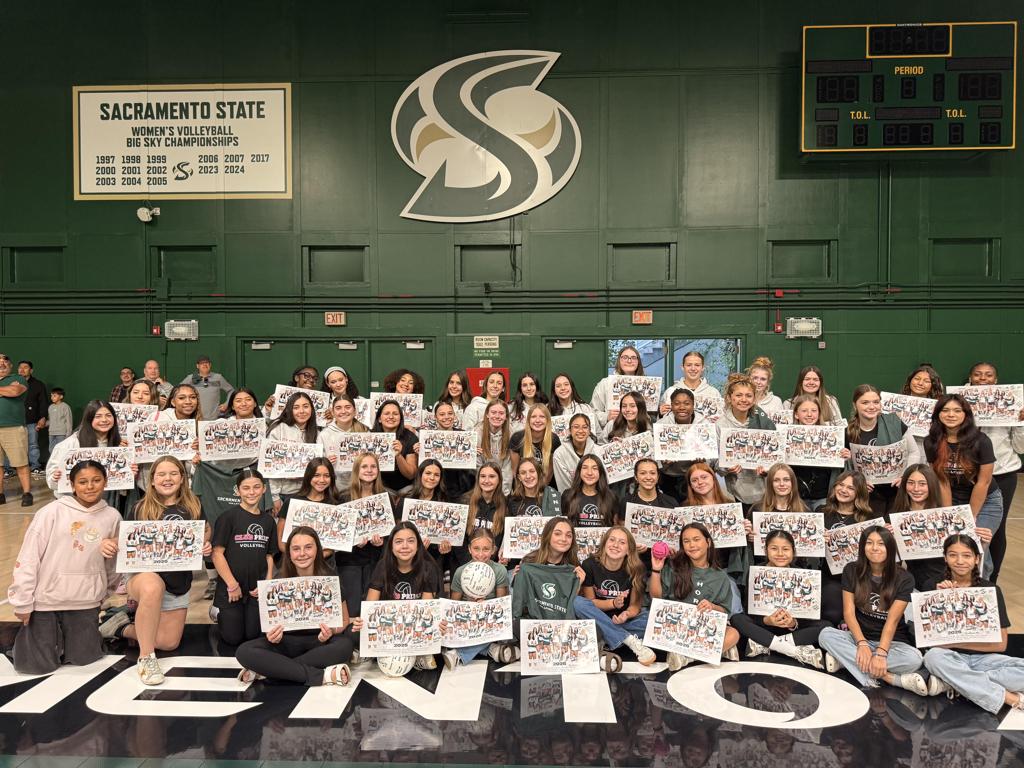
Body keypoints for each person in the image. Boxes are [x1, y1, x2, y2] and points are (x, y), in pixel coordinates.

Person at [98, 455, 212, 686]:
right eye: (161, 474)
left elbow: (206, 530)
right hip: (144, 577)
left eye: (173, 473)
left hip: (177, 580)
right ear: (152, 480)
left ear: (182, 478)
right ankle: (146, 658)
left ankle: (119, 624)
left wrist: (204, 543)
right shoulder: (140, 507)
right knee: (153, 587)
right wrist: (109, 543)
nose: (167, 478)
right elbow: (125, 538)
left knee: (168, 643)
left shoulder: (194, 506)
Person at [8, 460, 121, 674]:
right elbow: (29, 557)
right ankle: (24, 645)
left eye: (96, 480)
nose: (90, 486)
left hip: (85, 601)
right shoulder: (50, 512)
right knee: (36, 666)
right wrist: (22, 600)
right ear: (72, 484)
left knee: (86, 660)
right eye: (83, 482)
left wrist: (104, 593)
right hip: (45, 602)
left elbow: (113, 564)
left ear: (105, 482)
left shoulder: (113, 516)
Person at [235, 526, 354, 686]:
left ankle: (274, 670)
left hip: (318, 642)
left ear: (317, 550)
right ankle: (320, 676)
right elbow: (269, 626)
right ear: (289, 553)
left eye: (308, 547)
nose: (302, 553)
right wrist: (272, 635)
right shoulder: (277, 581)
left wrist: (332, 631)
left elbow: (344, 621)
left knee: (345, 646)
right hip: (285, 643)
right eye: (296, 549)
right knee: (244, 652)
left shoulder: (330, 579)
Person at [817, 526, 927, 694]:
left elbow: (892, 621)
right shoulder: (851, 570)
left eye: (881, 544)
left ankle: (847, 662)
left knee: (914, 659)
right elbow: (848, 613)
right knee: (825, 635)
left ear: (890, 548)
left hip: (891, 642)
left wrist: (881, 653)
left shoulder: (904, 578)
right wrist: (861, 644)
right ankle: (888, 677)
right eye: (869, 543)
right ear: (863, 547)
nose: (875, 548)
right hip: (858, 637)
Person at [923, 534, 1024, 711]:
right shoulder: (932, 586)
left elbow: (1001, 645)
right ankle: (1007, 697)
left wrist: (953, 643)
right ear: (945, 558)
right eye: (953, 555)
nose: (960, 561)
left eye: (967, 555)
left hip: (984, 660)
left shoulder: (990, 590)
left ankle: (955, 683)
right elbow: (929, 641)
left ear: (977, 559)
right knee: (933, 657)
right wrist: (938, 597)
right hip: (949, 658)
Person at [924, 393, 1001, 578]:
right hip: (954, 499)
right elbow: (942, 481)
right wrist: (950, 515)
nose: (951, 415)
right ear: (938, 414)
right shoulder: (931, 441)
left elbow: (983, 482)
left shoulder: (981, 441)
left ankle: (983, 586)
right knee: (958, 545)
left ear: (965, 414)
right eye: (945, 410)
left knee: (976, 547)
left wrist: (970, 517)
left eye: (957, 410)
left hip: (986, 501)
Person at [649, 522, 741, 670]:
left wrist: (712, 606)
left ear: (708, 542)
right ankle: (710, 653)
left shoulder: (720, 576)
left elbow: (724, 610)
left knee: (733, 634)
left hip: (702, 628)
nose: (692, 545)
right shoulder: (673, 567)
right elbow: (656, 597)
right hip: (676, 626)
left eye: (696, 539)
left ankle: (687, 656)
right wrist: (656, 569)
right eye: (686, 541)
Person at [732, 530, 829, 667]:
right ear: (766, 550)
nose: (780, 554)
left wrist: (793, 623)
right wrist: (767, 620)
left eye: (785, 549)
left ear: (793, 551)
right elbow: (749, 609)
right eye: (774, 548)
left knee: (826, 626)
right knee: (737, 619)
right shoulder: (756, 572)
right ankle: (793, 650)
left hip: (790, 629)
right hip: (764, 627)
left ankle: (766, 645)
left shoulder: (803, 574)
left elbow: (808, 613)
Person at [353, 521, 441, 671]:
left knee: (441, 632)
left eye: (410, 541)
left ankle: (416, 655)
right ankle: (410, 654)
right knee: (352, 632)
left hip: (414, 625)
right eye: (399, 542)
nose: (405, 546)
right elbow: (370, 606)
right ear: (391, 547)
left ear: (418, 545)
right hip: (387, 626)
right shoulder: (383, 566)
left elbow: (426, 611)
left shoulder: (428, 568)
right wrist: (362, 622)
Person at [966, 361, 1024, 584]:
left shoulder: (1011, 403)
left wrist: (1020, 423)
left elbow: (1020, 448)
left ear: (996, 380)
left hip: (1002, 474)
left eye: (988, 375)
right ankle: (965, 577)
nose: (983, 378)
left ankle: (991, 581)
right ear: (970, 378)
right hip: (967, 476)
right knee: (966, 525)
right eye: (978, 374)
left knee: (995, 531)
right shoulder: (959, 403)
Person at [572, 526, 656, 669]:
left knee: (652, 619)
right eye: (612, 540)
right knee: (577, 603)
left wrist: (626, 614)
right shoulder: (589, 564)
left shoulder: (636, 568)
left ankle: (605, 638)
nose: (616, 545)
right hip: (597, 618)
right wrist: (613, 603)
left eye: (622, 542)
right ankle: (629, 640)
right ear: (604, 543)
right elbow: (590, 602)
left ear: (629, 550)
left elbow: (635, 606)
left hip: (622, 621)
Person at [211, 469, 278, 645]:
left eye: (256, 487)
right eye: (246, 488)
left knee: (253, 636)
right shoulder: (228, 517)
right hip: (231, 589)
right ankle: (218, 611)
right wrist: (232, 585)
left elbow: (269, 555)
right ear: (237, 490)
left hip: (255, 589)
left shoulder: (268, 521)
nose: (252, 492)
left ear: (264, 489)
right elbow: (217, 554)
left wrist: (266, 584)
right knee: (233, 638)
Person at [440, 528, 510, 669]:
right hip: (467, 621)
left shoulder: (499, 570)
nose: (480, 554)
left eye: (486, 549)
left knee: (504, 624)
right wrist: (471, 606)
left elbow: (502, 607)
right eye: (476, 548)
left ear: (493, 550)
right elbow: (453, 606)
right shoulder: (460, 571)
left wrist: (486, 606)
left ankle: (459, 654)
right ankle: (490, 649)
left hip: (489, 621)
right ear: (469, 549)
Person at [845, 384, 920, 516]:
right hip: (867, 495)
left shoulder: (894, 422)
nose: (871, 406)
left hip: (897, 491)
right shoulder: (848, 432)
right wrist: (857, 481)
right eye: (865, 402)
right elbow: (848, 468)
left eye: (876, 402)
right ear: (855, 405)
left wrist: (905, 476)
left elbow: (914, 452)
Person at [337, 452, 395, 617]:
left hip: (376, 561)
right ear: (357, 470)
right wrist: (353, 541)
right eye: (364, 466)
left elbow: (391, 533)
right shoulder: (343, 497)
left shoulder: (386, 498)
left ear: (378, 470)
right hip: (350, 561)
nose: (369, 470)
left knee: (372, 611)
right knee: (353, 610)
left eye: (373, 466)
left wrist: (382, 542)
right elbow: (338, 535)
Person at [819, 470, 877, 626]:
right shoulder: (821, 512)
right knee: (831, 604)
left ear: (859, 492)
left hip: (859, 577)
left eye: (851, 488)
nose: (844, 490)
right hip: (830, 576)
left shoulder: (868, 518)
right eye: (841, 485)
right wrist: (817, 539)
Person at [717, 373, 776, 509]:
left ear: (754, 399)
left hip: (764, 491)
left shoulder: (764, 422)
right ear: (729, 398)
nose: (743, 400)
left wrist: (768, 468)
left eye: (748, 396)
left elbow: (775, 454)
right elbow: (715, 461)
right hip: (735, 491)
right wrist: (726, 467)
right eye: (738, 395)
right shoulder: (721, 425)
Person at [46, 400, 128, 496]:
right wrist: (55, 478)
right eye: (98, 416)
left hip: (106, 501)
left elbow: (121, 484)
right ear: (89, 419)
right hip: (74, 501)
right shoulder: (70, 444)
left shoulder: (119, 444)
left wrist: (128, 472)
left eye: (108, 415)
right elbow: (52, 481)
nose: (104, 420)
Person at [265, 392, 320, 512]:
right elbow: (270, 465)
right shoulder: (278, 428)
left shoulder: (317, 432)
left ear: (311, 409)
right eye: (296, 407)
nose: (302, 411)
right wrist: (274, 496)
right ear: (290, 409)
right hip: (282, 494)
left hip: (308, 493)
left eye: (306, 406)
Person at [790, 394, 847, 509]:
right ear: (796, 414)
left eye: (814, 410)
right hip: (796, 496)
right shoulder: (787, 436)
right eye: (804, 411)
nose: (809, 414)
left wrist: (844, 457)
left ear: (819, 413)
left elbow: (839, 469)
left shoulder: (833, 436)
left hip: (823, 496)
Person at [276, 459, 342, 550]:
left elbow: (334, 545)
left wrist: (316, 556)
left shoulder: (335, 505)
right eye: (316, 475)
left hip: (324, 558)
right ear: (308, 476)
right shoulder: (292, 501)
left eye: (326, 476)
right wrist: (294, 555)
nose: (322, 480)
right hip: (293, 557)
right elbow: (280, 539)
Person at [655, 387, 705, 503]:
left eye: (687, 403)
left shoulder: (704, 425)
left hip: (695, 475)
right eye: (677, 403)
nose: (682, 407)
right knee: (671, 507)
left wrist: (703, 460)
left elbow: (713, 456)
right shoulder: (661, 425)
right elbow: (654, 458)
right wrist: (662, 462)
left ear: (693, 406)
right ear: (671, 406)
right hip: (668, 476)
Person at [459, 462, 508, 568]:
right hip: (464, 564)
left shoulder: (505, 505)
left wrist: (487, 564)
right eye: (483, 476)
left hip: (491, 565)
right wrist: (471, 564)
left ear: (499, 480)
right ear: (478, 479)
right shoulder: (464, 501)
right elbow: (459, 540)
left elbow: (499, 541)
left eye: (492, 476)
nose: (486, 480)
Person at [317, 393, 368, 491]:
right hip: (334, 488)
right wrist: (326, 462)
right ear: (332, 412)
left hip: (361, 487)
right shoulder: (324, 435)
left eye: (348, 407)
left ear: (354, 411)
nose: (343, 411)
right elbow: (318, 465)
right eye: (338, 408)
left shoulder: (365, 432)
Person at [0, 354, 33, 506]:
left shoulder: (18, 378)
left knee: (21, 462)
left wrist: (9, 389)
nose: (2, 363)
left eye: (5, 361)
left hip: (13, 427)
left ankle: (27, 493)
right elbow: (8, 391)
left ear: (10, 365)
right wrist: (4, 390)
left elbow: (14, 391)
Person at [591, 345, 646, 428]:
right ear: (619, 360)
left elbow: (653, 413)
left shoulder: (647, 384)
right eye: (625, 357)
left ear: (638, 362)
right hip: (614, 429)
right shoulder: (605, 383)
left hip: (641, 430)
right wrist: (606, 417)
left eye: (633, 358)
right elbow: (593, 411)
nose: (629, 361)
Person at [371, 399, 418, 492]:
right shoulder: (370, 437)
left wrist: (398, 455)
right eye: (386, 413)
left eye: (395, 414)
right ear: (379, 419)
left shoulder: (410, 437)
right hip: (378, 486)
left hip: (405, 487)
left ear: (400, 418)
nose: (391, 417)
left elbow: (411, 475)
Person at [510, 404, 560, 487]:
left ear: (547, 420)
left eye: (542, 417)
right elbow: (515, 471)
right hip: (523, 486)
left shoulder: (554, 439)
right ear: (528, 420)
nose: (537, 420)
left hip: (545, 486)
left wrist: (539, 490)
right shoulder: (517, 438)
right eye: (533, 417)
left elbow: (549, 473)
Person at [660, 350, 723, 417]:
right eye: (689, 365)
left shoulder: (713, 393)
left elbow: (721, 419)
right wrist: (660, 413)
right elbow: (662, 420)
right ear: (682, 367)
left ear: (703, 368)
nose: (693, 368)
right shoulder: (670, 392)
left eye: (697, 365)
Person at [562, 454, 618, 527]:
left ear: (600, 472)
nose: (589, 473)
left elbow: (615, 526)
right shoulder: (568, 495)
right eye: (585, 468)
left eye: (594, 468)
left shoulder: (611, 496)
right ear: (579, 471)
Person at [553, 413, 598, 493]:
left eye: (585, 427)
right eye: (576, 427)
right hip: (571, 497)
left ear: (589, 431)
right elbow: (564, 487)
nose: (580, 431)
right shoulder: (559, 454)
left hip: (595, 495)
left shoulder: (598, 451)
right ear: (569, 430)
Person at [477, 399, 514, 495]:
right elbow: (478, 467)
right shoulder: (477, 433)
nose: (497, 416)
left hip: (502, 486)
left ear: (506, 416)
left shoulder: (511, 434)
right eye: (493, 412)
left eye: (501, 413)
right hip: (481, 486)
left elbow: (507, 469)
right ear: (487, 414)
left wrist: (503, 495)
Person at [17, 360, 47, 476]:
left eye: (25, 367)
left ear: (31, 370)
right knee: (11, 445)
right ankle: (8, 469)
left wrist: (43, 417)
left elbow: (43, 402)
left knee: (33, 445)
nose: (22, 369)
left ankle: (35, 466)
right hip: (14, 421)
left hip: (31, 421)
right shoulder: (12, 383)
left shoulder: (38, 384)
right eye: (20, 367)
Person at [181, 354, 234, 419]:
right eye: (202, 363)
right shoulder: (190, 378)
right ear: (197, 366)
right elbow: (178, 391)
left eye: (207, 363)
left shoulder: (218, 378)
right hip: (195, 418)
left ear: (210, 365)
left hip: (214, 418)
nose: (204, 365)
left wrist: (227, 403)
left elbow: (231, 391)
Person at [47, 387, 73, 452]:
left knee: (61, 450)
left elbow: (69, 421)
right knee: (51, 450)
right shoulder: (50, 407)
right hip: (51, 433)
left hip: (61, 433)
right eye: (51, 396)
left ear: (61, 396)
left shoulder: (65, 407)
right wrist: (42, 424)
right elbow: (50, 420)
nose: (52, 397)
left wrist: (68, 434)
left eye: (54, 396)